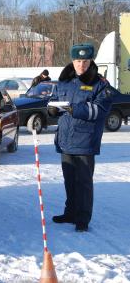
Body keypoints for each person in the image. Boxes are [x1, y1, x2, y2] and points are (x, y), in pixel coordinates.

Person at [48, 43, 114, 232]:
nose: (81, 65)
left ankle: (82, 219)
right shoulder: (64, 81)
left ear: (90, 61)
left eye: (85, 61)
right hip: (65, 140)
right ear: (72, 60)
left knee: (84, 182)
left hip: (85, 141)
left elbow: (100, 110)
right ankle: (70, 213)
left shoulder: (100, 84)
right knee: (69, 180)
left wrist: (73, 108)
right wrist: (51, 109)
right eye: (78, 61)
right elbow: (53, 101)